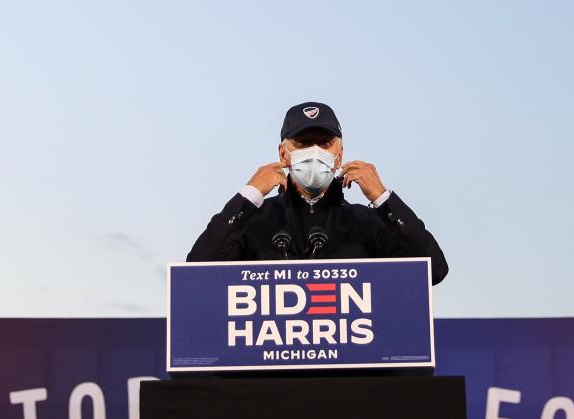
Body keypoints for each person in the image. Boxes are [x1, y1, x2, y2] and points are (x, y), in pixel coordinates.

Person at [186, 101, 448, 285]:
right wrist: (249, 195)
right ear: (282, 153)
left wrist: (382, 198)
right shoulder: (254, 220)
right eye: (302, 143)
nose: (314, 151)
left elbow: (433, 270)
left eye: (324, 143)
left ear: (339, 154)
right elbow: (197, 273)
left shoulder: (369, 223)